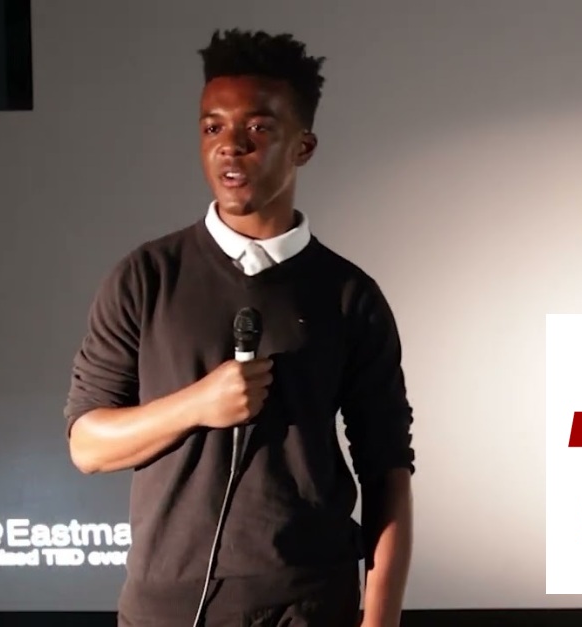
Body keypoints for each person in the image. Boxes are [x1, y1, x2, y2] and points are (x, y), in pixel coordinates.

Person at [64, 28, 415, 627]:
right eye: (213, 128)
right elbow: (88, 446)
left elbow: (388, 472)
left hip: (309, 604)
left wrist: (380, 621)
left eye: (257, 128)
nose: (230, 146)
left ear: (303, 147)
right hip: (166, 607)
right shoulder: (145, 277)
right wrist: (197, 404)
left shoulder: (349, 295)